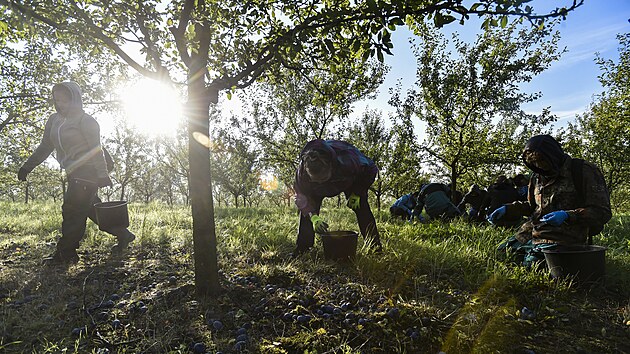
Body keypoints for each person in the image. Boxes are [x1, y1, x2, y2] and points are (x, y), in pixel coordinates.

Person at [17, 82, 135, 265]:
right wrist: (27, 167)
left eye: (65, 100)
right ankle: (123, 234)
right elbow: (45, 146)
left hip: (88, 170)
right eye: (57, 100)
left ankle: (66, 254)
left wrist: (103, 175)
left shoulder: (86, 121)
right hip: (73, 171)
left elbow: (97, 150)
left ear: (75, 99)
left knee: (72, 210)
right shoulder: (53, 120)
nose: (60, 104)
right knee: (91, 209)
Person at [489, 135, 611, 267]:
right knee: (502, 255)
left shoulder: (583, 171)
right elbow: (533, 207)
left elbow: (601, 211)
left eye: (542, 160)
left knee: (531, 266)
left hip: (564, 238)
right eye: (533, 163)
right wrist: (508, 209)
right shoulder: (536, 177)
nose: (539, 165)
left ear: (553, 155)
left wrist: (567, 215)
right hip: (532, 233)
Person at [293, 139, 382, 256]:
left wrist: (357, 193)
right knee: (307, 214)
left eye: (323, 179)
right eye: (316, 180)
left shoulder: (348, 159)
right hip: (314, 190)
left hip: (349, 181)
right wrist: (313, 217)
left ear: (331, 167)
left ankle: (374, 248)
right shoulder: (302, 173)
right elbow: (301, 196)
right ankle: (303, 249)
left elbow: (371, 169)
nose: (320, 183)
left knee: (362, 209)